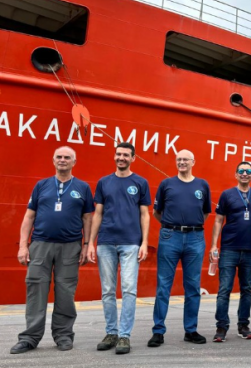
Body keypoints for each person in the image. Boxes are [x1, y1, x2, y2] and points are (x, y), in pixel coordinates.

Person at [10, 146, 94, 354]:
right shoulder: (42, 185)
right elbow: (29, 216)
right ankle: (30, 337)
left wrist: (86, 245)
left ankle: (63, 335)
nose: (63, 160)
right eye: (59, 157)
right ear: (53, 160)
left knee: (65, 291)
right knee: (36, 288)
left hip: (71, 246)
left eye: (67, 157)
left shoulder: (83, 187)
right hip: (40, 244)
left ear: (74, 162)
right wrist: (23, 245)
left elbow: (88, 218)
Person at [87, 142, 151, 355]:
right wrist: (90, 243)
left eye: (125, 155)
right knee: (107, 291)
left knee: (129, 290)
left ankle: (124, 336)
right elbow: (98, 213)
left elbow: (145, 214)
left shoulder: (140, 182)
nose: (121, 157)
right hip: (105, 242)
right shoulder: (104, 182)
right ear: (114, 157)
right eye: (118, 154)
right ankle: (111, 332)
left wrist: (144, 242)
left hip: (130, 243)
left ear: (133, 158)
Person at [148, 149, 211, 347]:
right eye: (179, 160)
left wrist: (192, 226)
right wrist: (171, 226)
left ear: (193, 162)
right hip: (170, 236)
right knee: (163, 286)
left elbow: (205, 213)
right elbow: (156, 212)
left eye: (185, 159)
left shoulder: (202, 185)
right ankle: (158, 331)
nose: (182, 162)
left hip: (195, 237)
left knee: (192, 286)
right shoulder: (167, 184)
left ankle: (190, 330)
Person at [210, 162, 251, 342]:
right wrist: (213, 246)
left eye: (248, 171)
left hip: (249, 250)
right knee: (224, 289)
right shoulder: (227, 195)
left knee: (246, 289)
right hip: (229, 249)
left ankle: (243, 325)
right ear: (236, 174)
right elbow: (218, 220)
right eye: (241, 171)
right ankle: (221, 326)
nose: (245, 174)